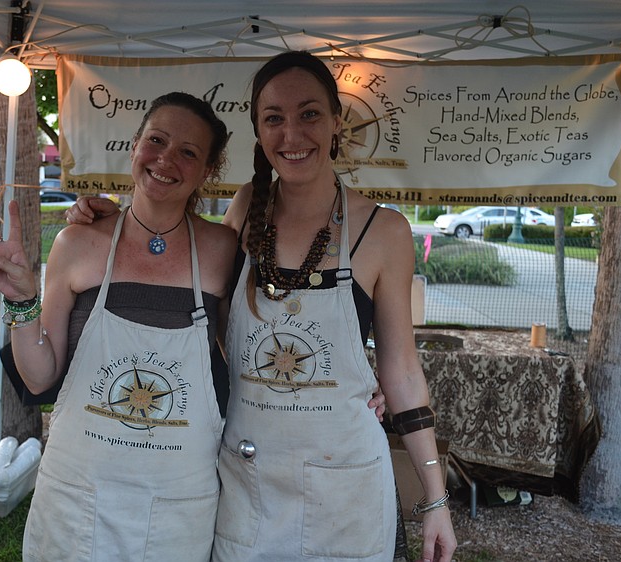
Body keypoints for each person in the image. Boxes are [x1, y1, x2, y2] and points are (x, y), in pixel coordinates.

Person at [70, 51, 456, 562]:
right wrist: (113, 221)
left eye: (310, 114)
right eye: (274, 118)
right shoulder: (245, 208)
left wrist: (435, 500)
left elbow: (403, 369)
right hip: (247, 481)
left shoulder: (383, 231)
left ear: (337, 122)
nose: (292, 134)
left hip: (348, 486)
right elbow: (176, 259)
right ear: (257, 128)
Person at [0, 92, 235, 561]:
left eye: (189, 152)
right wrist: (23, 302)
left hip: (180, 503)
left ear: (208, 171)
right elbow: (38, 375)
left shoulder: (222, 250)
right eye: (156, 140)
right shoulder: (78, 240)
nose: (166, 159)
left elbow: (247, 356)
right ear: (134, 145)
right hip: (77, 494)